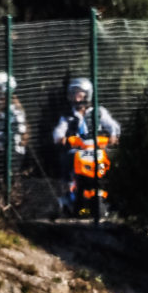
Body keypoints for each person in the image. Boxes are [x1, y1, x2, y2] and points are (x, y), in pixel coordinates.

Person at [52, 77, 120, 214]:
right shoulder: (67, 115)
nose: (75, 96)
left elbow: (113, 125)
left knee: (110, 167)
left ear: (87, 94)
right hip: (77, 151)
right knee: (67, 161)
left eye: (79, 92)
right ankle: (69, 191)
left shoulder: (98, 112)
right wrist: (61, 138)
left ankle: (112, 195)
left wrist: (113, 135)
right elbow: (59, 130)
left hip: (97, 150)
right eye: (73, 93)